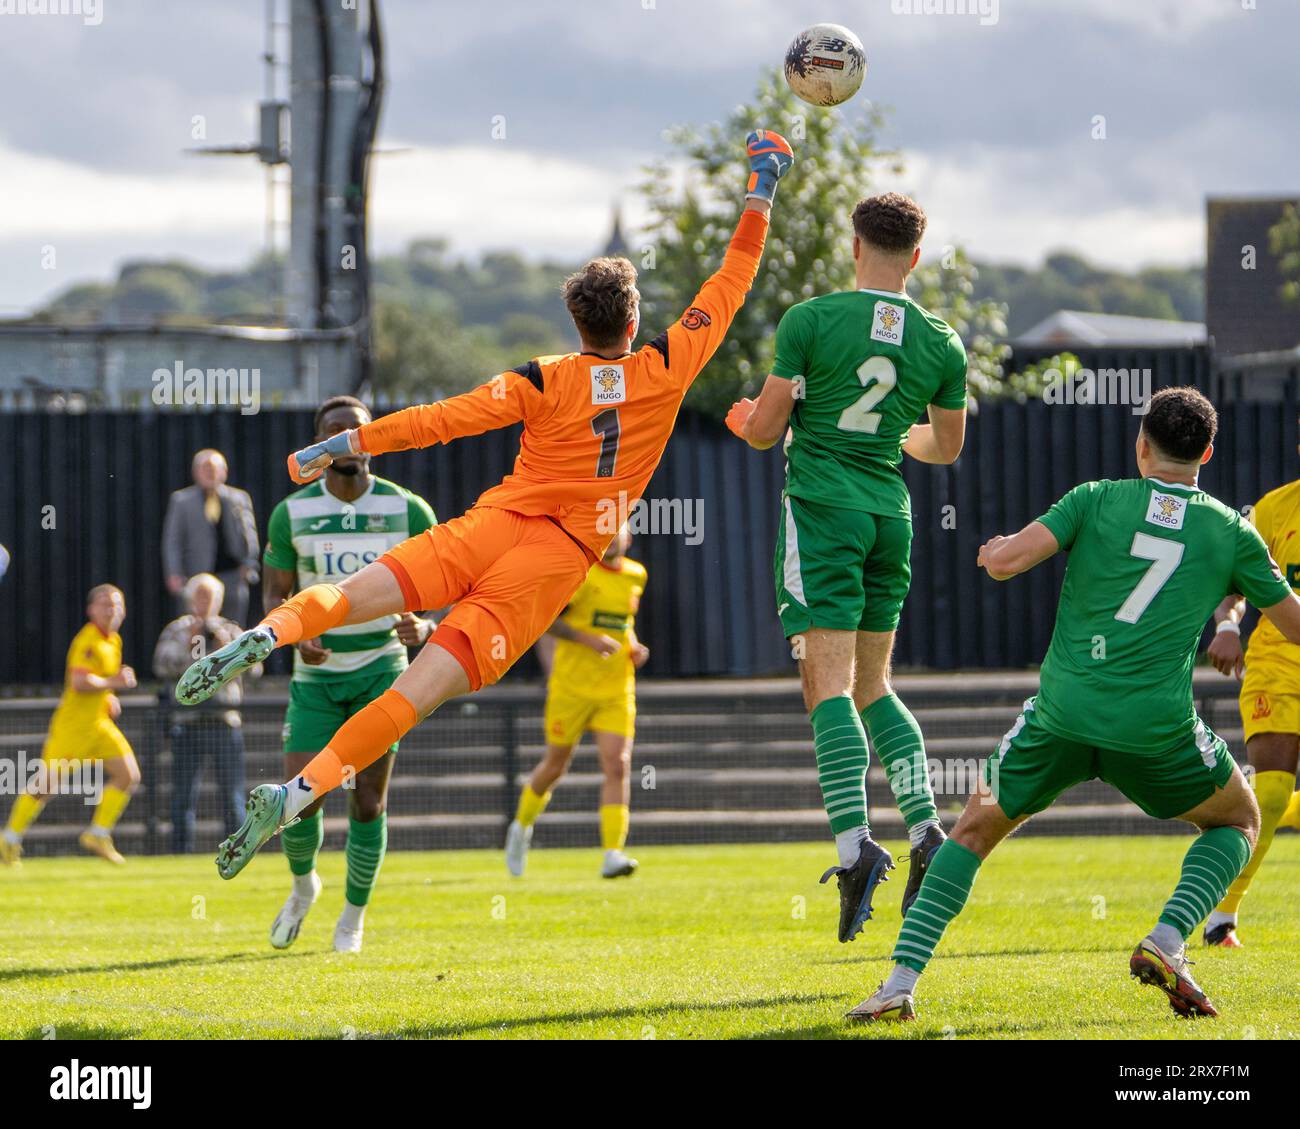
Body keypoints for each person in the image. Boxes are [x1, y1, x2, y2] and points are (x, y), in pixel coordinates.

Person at [176, 129, 794, 883]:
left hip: (495, 521)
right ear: (631, 325)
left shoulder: (543, 376)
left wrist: (342, 444)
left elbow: (444, 417)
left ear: (578, 324)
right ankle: (298, 791)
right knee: (413, 691)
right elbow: (733, 277)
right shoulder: (668, 364)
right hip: (551, 562)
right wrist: (761, 184)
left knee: (352, 594)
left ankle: (266, 632)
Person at [849, 387, 1300, 1023]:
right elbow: (1294, 624)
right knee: (1239, 820)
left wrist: (992, 550)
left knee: (972, 832)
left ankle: (898, 985)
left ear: (1141, 445)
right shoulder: (1231, 530)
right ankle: (1168, 940)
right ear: (1207, 451)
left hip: (1062, 718)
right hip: (1156, 730)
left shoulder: (1095, 498)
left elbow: (1005, 564)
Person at [726, 191, 967, 943]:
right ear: (917, 257)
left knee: (825, 688)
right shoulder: (942, 342)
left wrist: (742, 419)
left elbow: (766, 432)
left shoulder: (811, 319)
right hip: (889, 517)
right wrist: (896, 441)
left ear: (854, 245)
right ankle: (926, 827)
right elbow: (946, 446)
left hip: (822, 510)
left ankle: (853, 846)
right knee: (875, 686)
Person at [259, 395, 437, 953]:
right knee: (299, 799)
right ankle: (303, 886)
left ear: (371, 439)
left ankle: (352, 919)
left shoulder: (410, 511)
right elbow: (274, 592)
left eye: (354, 432)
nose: (345, 441)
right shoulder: (291, 513)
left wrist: (426, 629)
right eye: (332, 433)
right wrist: (297, 631)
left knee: (366, 800)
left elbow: (452, 591)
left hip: (383, 668)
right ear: (318, 448)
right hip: (316, 676)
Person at [506, 525, 648, 879]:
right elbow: (546, 620)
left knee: (618, 765)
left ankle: (613, 852)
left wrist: (633, 646)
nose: (615, 538)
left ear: (629, 538)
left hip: (616, 688)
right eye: (609, 532)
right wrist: (588, 640)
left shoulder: (636, 575)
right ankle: (521, 827)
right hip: (571, 688)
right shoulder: (578, 574)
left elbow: (622, 623)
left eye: (621, 532)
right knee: (556, 765)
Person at [1202, 459, 1300, 946]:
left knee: (1278, 802)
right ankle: (1222, 914)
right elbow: (1235, 584)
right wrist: (1227, 626)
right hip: (1277, 661)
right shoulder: (1273, 509)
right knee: (1275, 786)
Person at [2, 584, 140, 866]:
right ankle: (9, 839)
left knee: (128, 775)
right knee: (45, 786)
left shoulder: (113, 640)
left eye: (116, 604)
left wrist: (108, 696)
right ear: (91, 610)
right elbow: (79, 681)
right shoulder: (87, 640)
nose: (111, 609)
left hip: (98, 724)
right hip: (74, 727)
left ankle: (98, 834)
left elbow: (96, 681)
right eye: (104, 603)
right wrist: (113, 683)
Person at [153, 573, 255, 854]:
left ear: (219, 601)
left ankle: (236, 853)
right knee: (183, 795)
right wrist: (191, 644)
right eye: (199, 596)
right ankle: (180, 853)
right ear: (189, 599)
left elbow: (255, 668)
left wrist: (227, 651)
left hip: (224, 721)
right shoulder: (176, 630)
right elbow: (162, 665)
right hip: (188, 723)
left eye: (209, 597)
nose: (204, 602)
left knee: (232, 794)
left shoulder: (231, 630)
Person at [161, 449, 260, 626]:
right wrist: (174, 573)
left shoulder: (238, 498)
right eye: (205, 468)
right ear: (195, 472)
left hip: (231, 576)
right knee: (196, 627)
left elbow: (251, 534)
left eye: (214, 468)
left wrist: (249, 564)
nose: (210, 472)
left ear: (224, 472)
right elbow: (173, 540)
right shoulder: (182, 500)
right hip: (196, 576)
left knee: (232, 629)